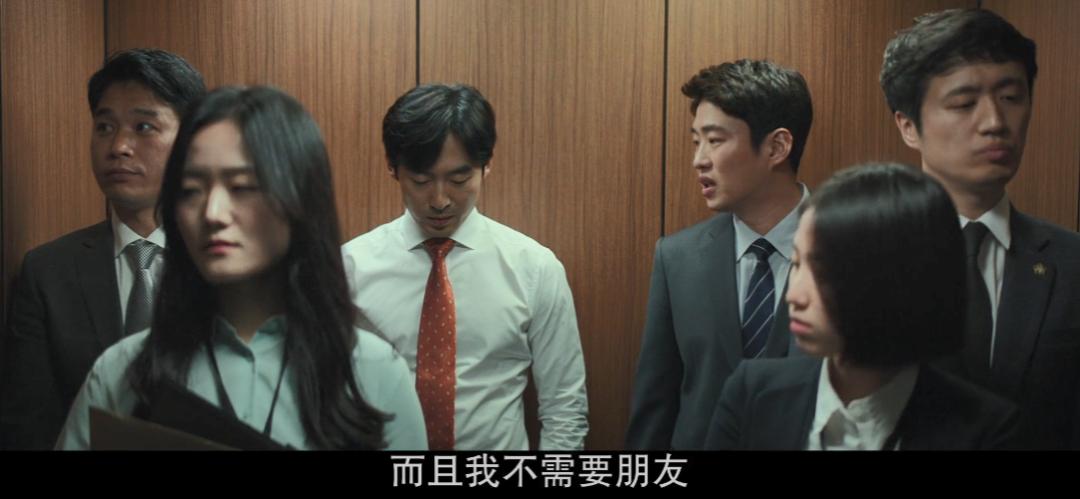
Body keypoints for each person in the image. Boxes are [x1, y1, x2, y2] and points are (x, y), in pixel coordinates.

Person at [56, 86, 426, 450]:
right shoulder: (121, 372)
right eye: (191, 190)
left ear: (300, 199)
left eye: (242, 187)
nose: (213, 213)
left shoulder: (373, 372)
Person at [343, 83, 588, 450]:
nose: (440, 200)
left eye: (459, 180)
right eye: (421, 181)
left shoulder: (534, 269)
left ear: (486, 166)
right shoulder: (350, 268)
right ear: (393, 169)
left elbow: (564, 407)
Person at [706, 163, 1018, 450]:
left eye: (823, 272)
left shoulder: (987, 431)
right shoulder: (753, 394)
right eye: (797, 263)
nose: (794, 295)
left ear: (894, 280)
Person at [880, 7, 1080, 449]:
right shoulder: (862, 258)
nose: (994, 122)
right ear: (908, 125)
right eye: (964, 103)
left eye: (1011, 97)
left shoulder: (1072, 264)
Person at [1, 49, 206, 449]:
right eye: (105, 127)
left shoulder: (225, 263)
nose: (119, 146)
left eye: (144, 127)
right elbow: (27, 428)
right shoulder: (48, 272)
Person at [626, 60, 813, 449]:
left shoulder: (851, 247)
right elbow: (655, 407)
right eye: (696, 142)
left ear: (777, 147)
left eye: (714, 140)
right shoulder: (677, 258)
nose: (699, 160)